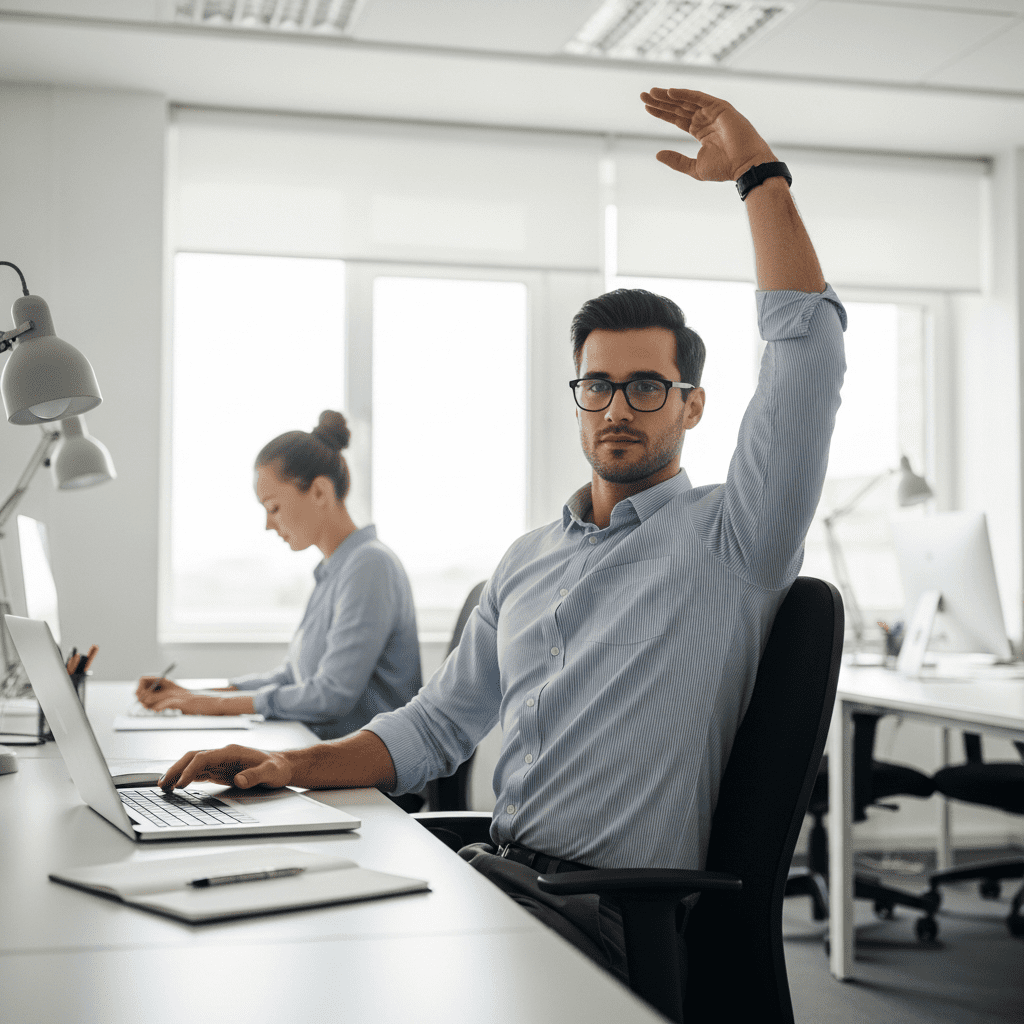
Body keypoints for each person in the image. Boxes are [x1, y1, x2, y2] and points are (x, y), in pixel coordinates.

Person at [157, 89, 846, 988]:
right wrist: (289, 763)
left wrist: (760, 178)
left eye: (646, 387)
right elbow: (440, 724)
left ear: (692, 405)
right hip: (489, 878)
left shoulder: (734, 540)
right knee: (250, 944)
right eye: (597, 386)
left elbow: (808, 354)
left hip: (600, 919)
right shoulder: (527, 561)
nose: (616, 409)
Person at [136, 410, 422, 741]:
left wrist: (206, 703)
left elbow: (330, 696)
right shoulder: (337, 570)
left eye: (273, 508)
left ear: (319, 492)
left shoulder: (370, 566)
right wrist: (201, 692)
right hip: (325, 757)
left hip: (370, 783)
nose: (269, 525)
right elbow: (293, 676)